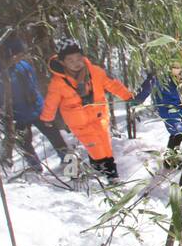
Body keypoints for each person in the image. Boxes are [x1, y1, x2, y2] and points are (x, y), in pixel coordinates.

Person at [40, 40, 146, 182]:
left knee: (105, 144)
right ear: (62, 62)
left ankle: (99, 167)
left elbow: (113, 85)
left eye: (78, 58)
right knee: (96, 146)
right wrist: (47, 118)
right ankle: (111, 176)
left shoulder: (95, 72)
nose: (76, 63)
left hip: (99, 116)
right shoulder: (58, 82)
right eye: (70, 60)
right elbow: (51, 102)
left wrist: (128, 97)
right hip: (79, 122)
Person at [0, 36, 69, 167]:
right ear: (9, 54)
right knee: (25, 144)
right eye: (18, 54)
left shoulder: (24, 65)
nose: (20, 57)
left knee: (56, 138)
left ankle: (72, 168)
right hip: (18, 117)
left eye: (21, 54)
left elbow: (34, 85)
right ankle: (36, 169)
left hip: (39, 110)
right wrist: (3, 116)